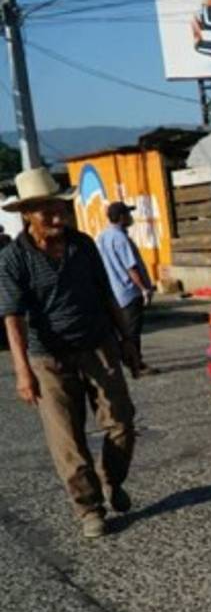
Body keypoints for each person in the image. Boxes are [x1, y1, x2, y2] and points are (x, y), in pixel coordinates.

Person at [0, 167, 141, 539]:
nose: (57, 216)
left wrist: (127, 341)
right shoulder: (14, 258)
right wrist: (22, 371)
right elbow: (12, 317)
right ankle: (89, 508)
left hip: (98, 344)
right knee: (67, 439)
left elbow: (106, 294)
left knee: (122, 421)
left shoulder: (83, 245)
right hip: (48, 356)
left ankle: (112, 481)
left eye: (59, 207)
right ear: (27, 214)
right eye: (46, 210)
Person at [97, 202, 156, 371]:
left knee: (121, 329)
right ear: (122, 217)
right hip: (128, 289)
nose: (131, 218)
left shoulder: (103, 236)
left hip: (114, 289)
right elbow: (131, 266)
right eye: (128, 214)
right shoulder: (120, 238)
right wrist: (144, 288)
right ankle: (135, 363)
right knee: (132, 331)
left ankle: (127, 360)